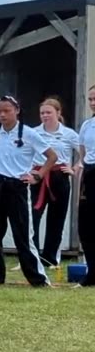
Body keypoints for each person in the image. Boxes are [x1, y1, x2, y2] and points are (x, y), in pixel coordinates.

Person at [0, 95, 61, 287]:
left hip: (17, 186)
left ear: (16, 110)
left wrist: (38, 175)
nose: (2, 115)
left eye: (6, 110)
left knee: (23, 235)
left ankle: (37, 279)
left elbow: (52, 156)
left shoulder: (28, 133)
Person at [30, 97, 81, 267]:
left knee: (56, 219)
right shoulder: (34, 132)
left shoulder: (69, 134)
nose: (45, 116)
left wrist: (74, 168)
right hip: (38, 176)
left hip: (59, 176)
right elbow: (24, 153)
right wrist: (28, 170)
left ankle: (50, 257)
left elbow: (85, 153)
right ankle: (32, 255)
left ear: (58, 113)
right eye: (42, 113)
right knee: (33, 217)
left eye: (48, 112)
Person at [77, 85, 95, 286]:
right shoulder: (87, 125)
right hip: (90, 173)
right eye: (90, 99)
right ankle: (92, 271)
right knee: (87, 226)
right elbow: (83, 153)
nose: (92, 103)